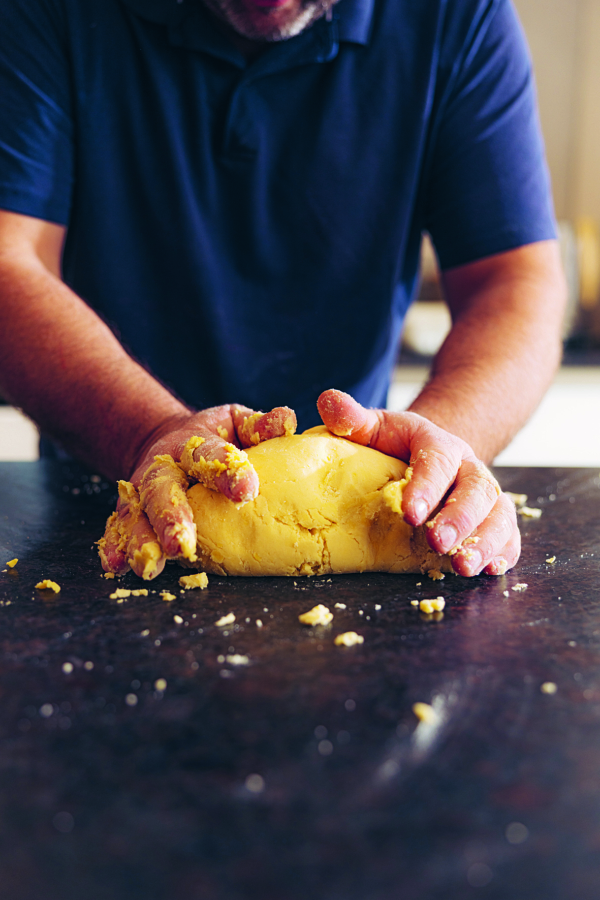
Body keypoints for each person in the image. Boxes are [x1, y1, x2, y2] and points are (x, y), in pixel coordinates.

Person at [0, 0, 566, 578]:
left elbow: (512, 282)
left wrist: (442, 451)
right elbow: (7, 262)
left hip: (367, 517)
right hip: (99, 499)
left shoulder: (455, 14)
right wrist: (147, 432)